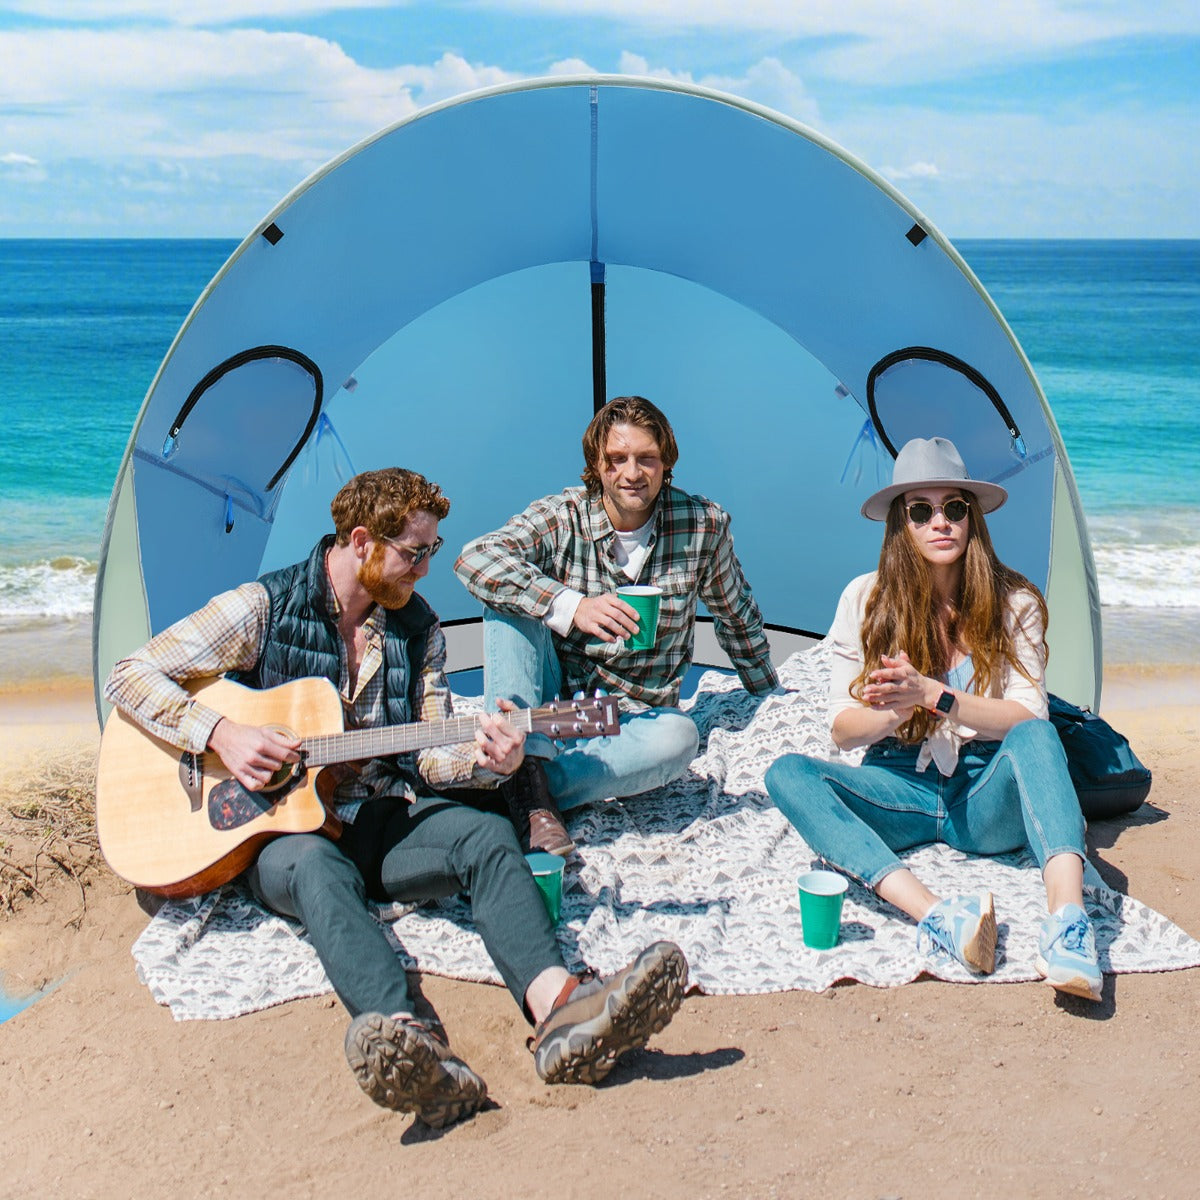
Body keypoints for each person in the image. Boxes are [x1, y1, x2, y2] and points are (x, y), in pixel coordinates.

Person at [104, 467, 688, 1128]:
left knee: (485, 836)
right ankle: (414, 1050)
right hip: (276, 834)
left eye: (433, 551)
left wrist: (492, 758)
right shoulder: (263, 607)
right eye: (415, 553)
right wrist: (225, 733)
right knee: (317, 871)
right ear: (361, 541)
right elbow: (130, 676)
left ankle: (563, 1011)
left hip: (377, 819)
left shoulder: (417, 630)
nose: (424, 568)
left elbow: (434, 757)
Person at [764, 437, 1103, 1002]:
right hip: (898, 783)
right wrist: (894, 713)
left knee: (1040, 736)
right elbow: (841, 730)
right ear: (902, 522)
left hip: (983, 792)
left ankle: (1068, 927)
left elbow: (1025, 715)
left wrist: (934, 694)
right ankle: (940, 915)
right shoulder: (865, 598)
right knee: (788, 774)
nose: (939, 521)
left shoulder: (1012, 601)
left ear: (972, 518)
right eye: (921, 510)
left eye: (954, 507)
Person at [455, 395, 780, 855]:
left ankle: (522, 791)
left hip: (632, 720)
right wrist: (571, 606)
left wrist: (770, 699)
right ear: (597, 464)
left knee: (680, 736)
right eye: (618, 459)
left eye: (646, 458)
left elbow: (735, 614)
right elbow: (475, 558)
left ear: (666, 462)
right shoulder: (563, 517)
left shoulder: (702, 524)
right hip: (552, 710)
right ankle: (525, 780)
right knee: (505, 604)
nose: (632, 473)